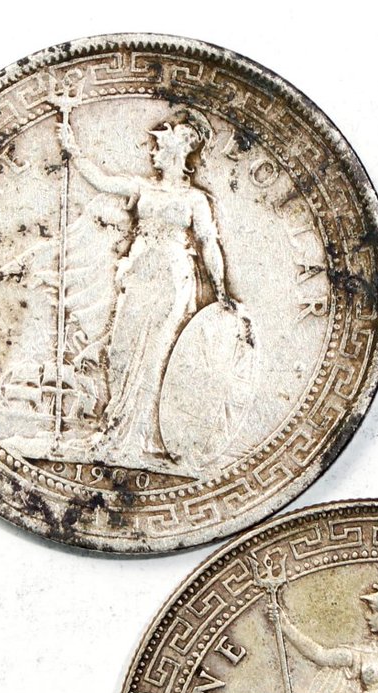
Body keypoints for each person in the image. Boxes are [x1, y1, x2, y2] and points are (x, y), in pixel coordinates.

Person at [58, 117, 235, 465]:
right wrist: (72, 149)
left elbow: (208, 244)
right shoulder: (143, 188)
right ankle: (116, 430)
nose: (152, 152)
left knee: (156, 354)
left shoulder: (196, 199)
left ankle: (147, 440)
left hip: (172, 278)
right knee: (121, 351)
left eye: (159, 147)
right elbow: (101, 181)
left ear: (180, 150)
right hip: (139, 273)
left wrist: (220, 289)